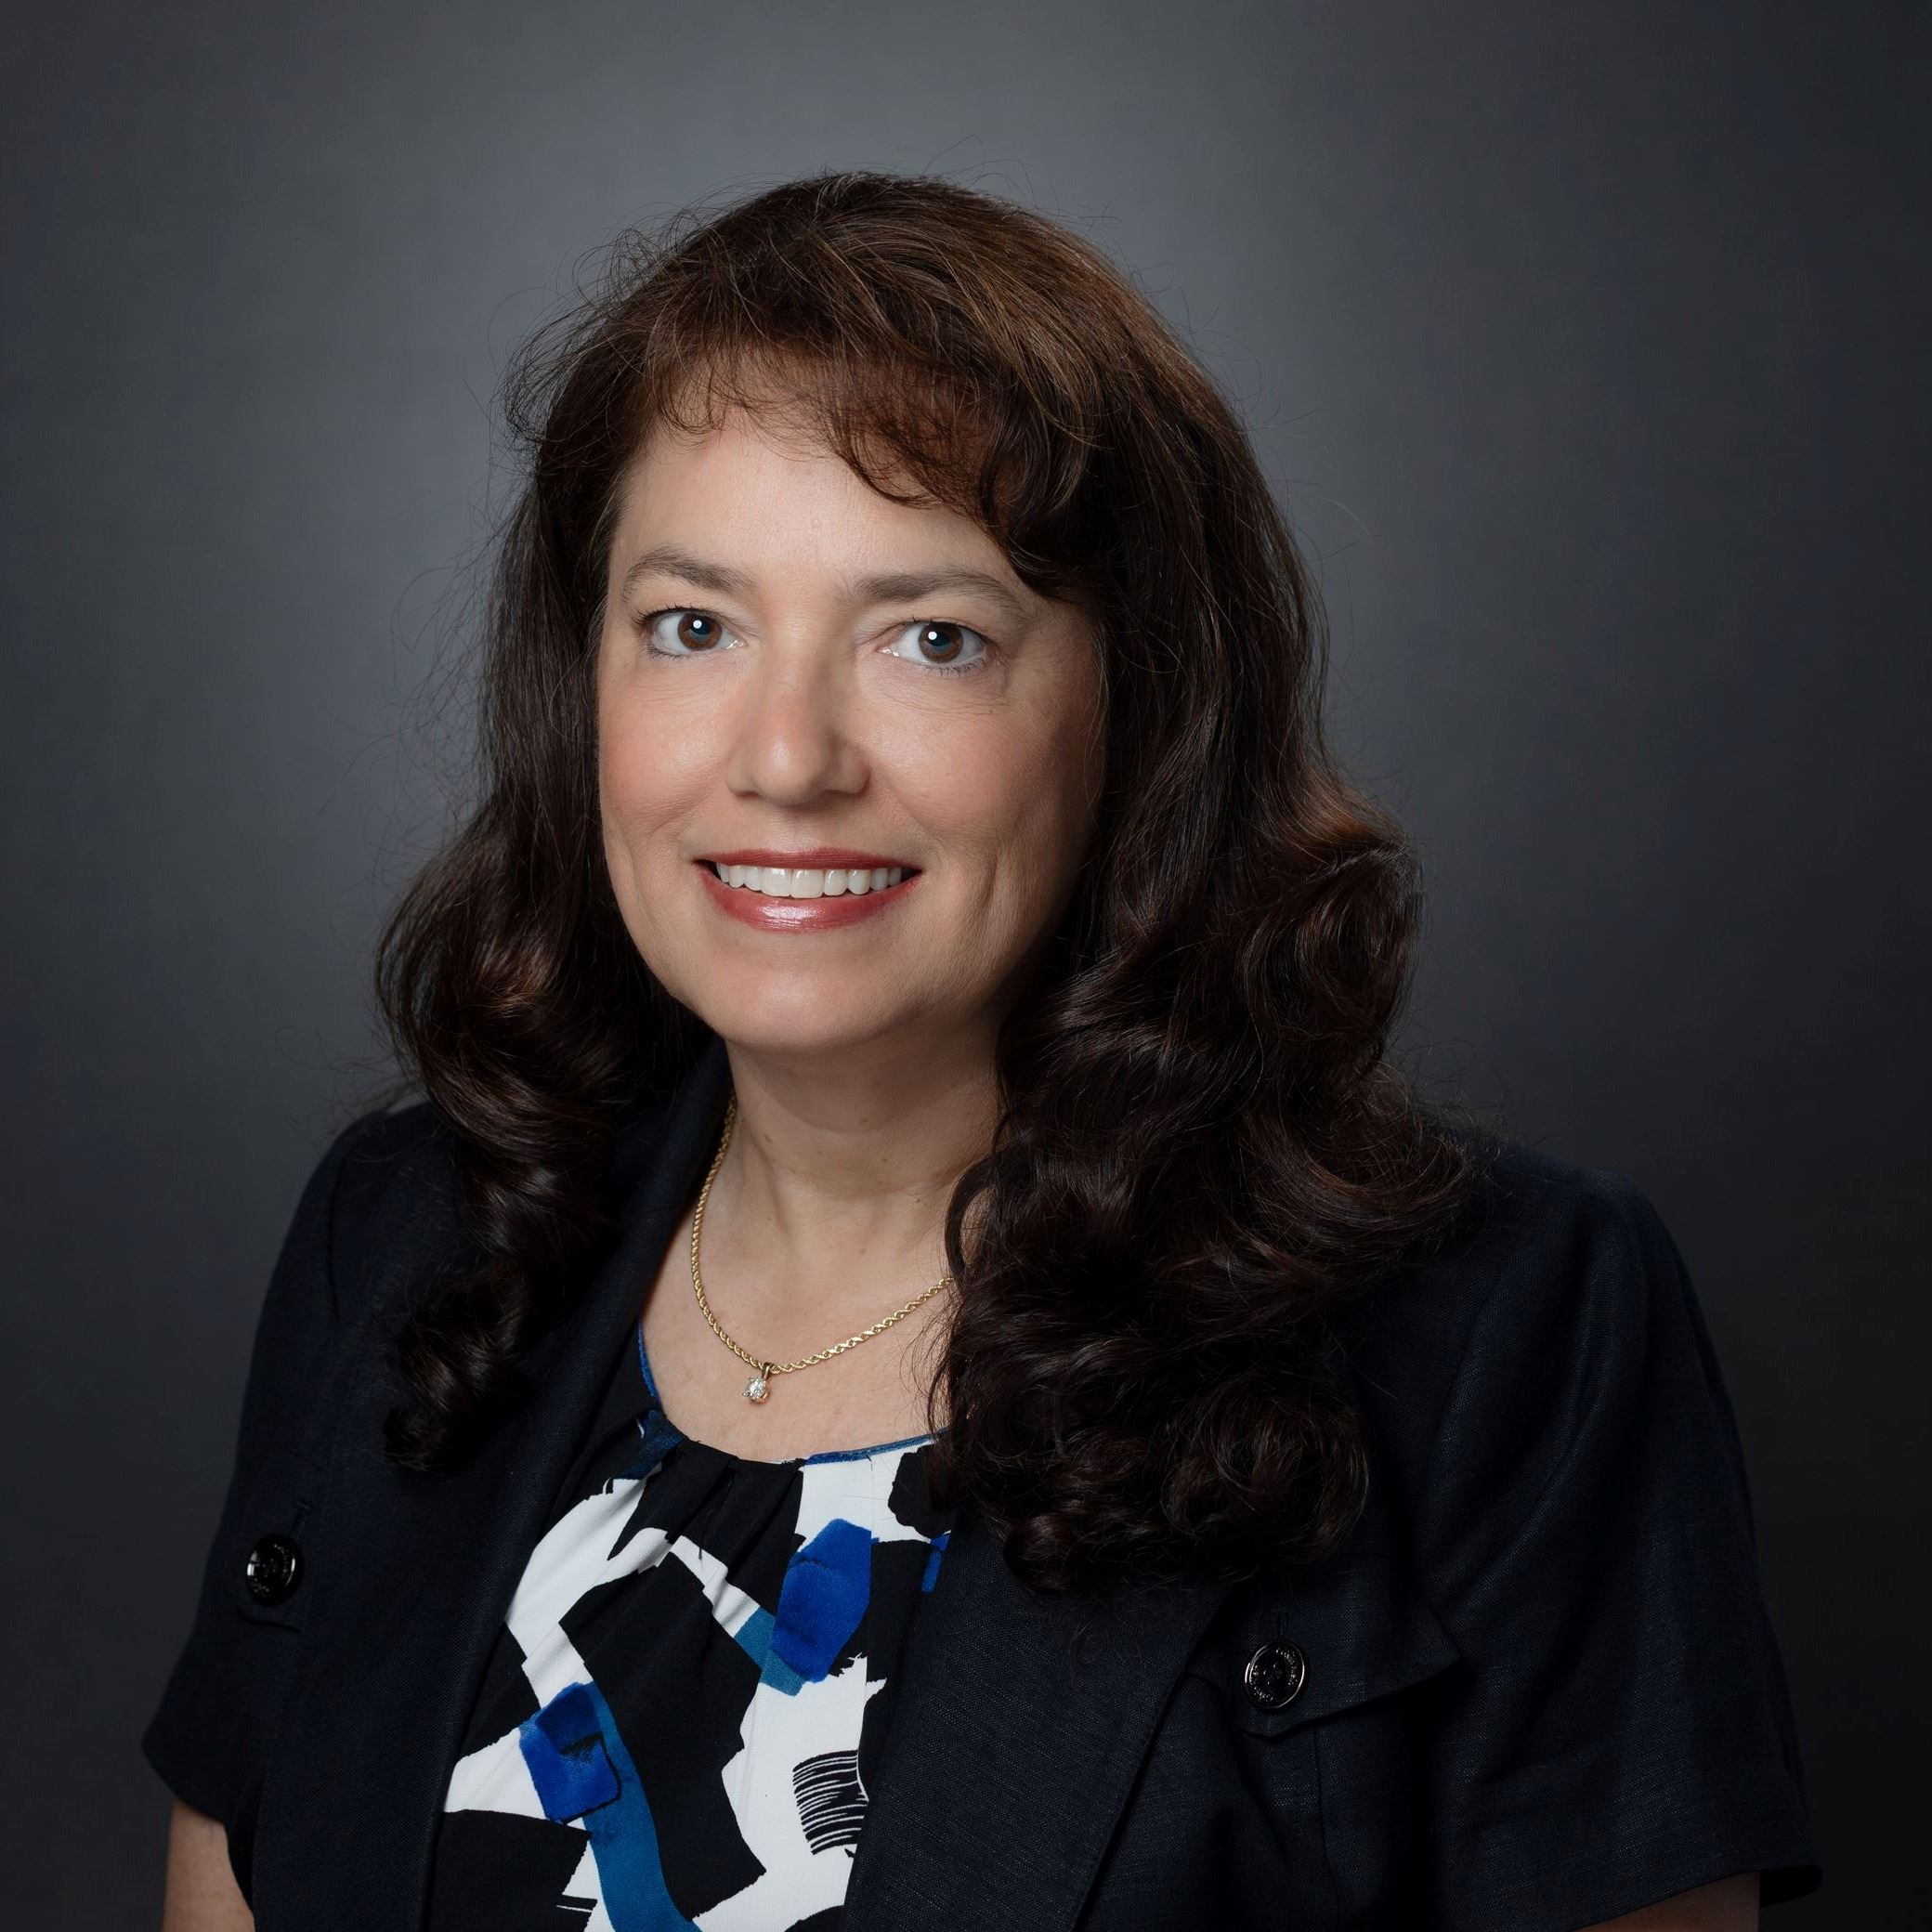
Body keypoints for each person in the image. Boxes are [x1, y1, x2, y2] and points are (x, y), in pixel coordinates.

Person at [144, 171, 1821, 1932]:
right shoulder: (409, 1238)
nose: (786, 759)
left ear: (1140, 713)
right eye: (692, 625)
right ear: (590, 686)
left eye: (931, 637)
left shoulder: (1505, 1333)